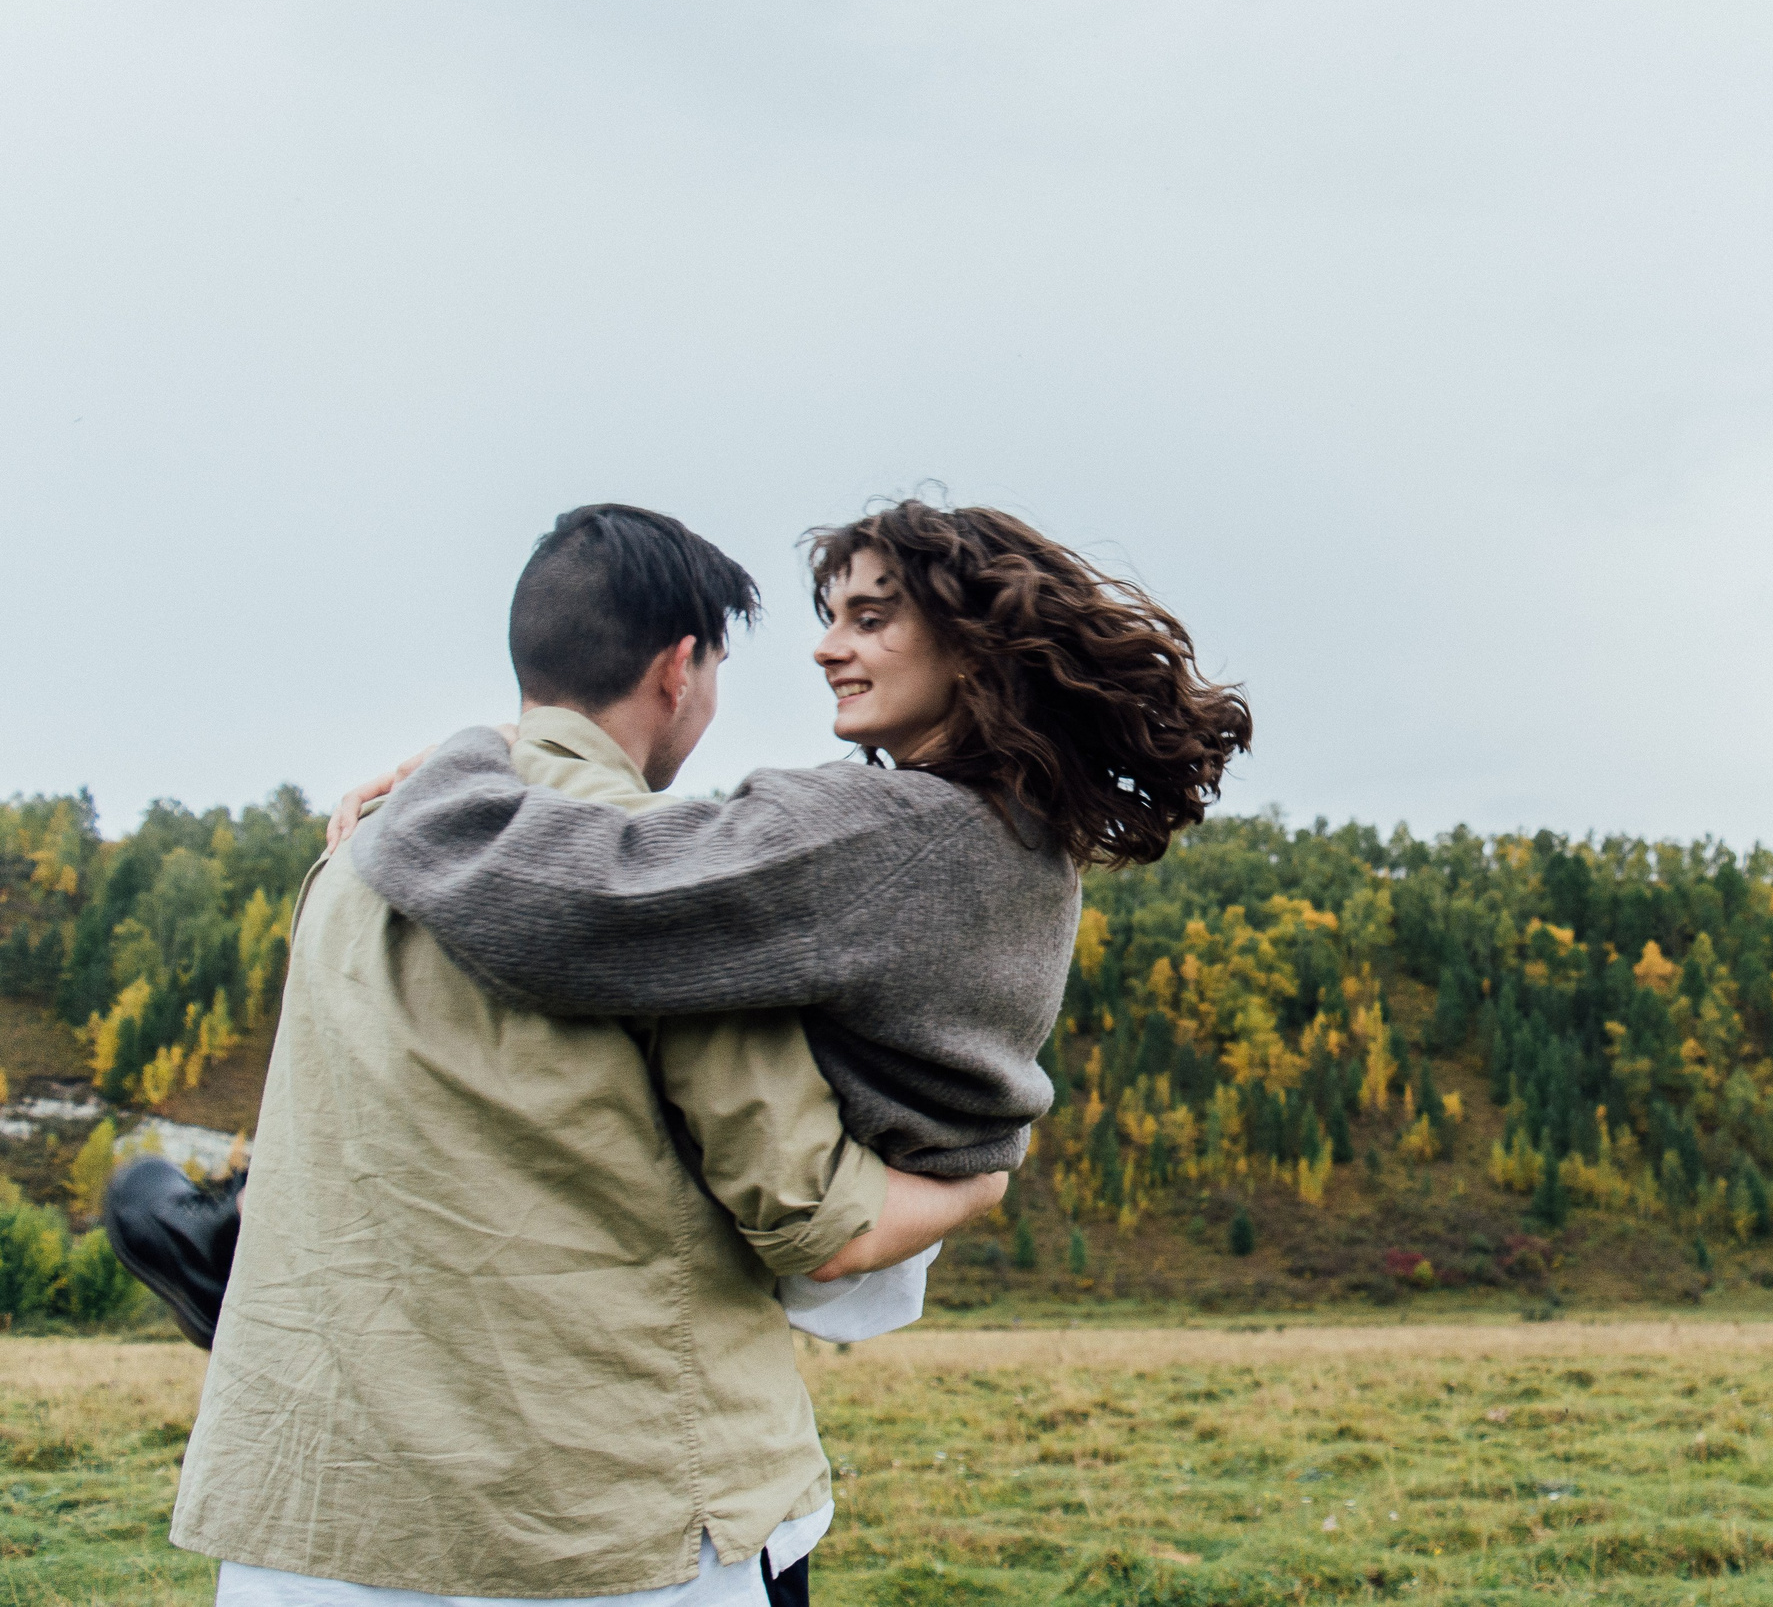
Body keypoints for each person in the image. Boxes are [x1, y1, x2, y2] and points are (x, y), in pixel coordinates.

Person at [150, 498, 1252, 1605]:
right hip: (612, 1515)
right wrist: (986, 1178)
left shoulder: (366, 856)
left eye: (869, 618)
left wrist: (462, 760)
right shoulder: (709, 910)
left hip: (305, 1513)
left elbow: (573, 895)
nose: (830, 646)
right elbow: (809, 1212)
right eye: (830, 617)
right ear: (680, 670)